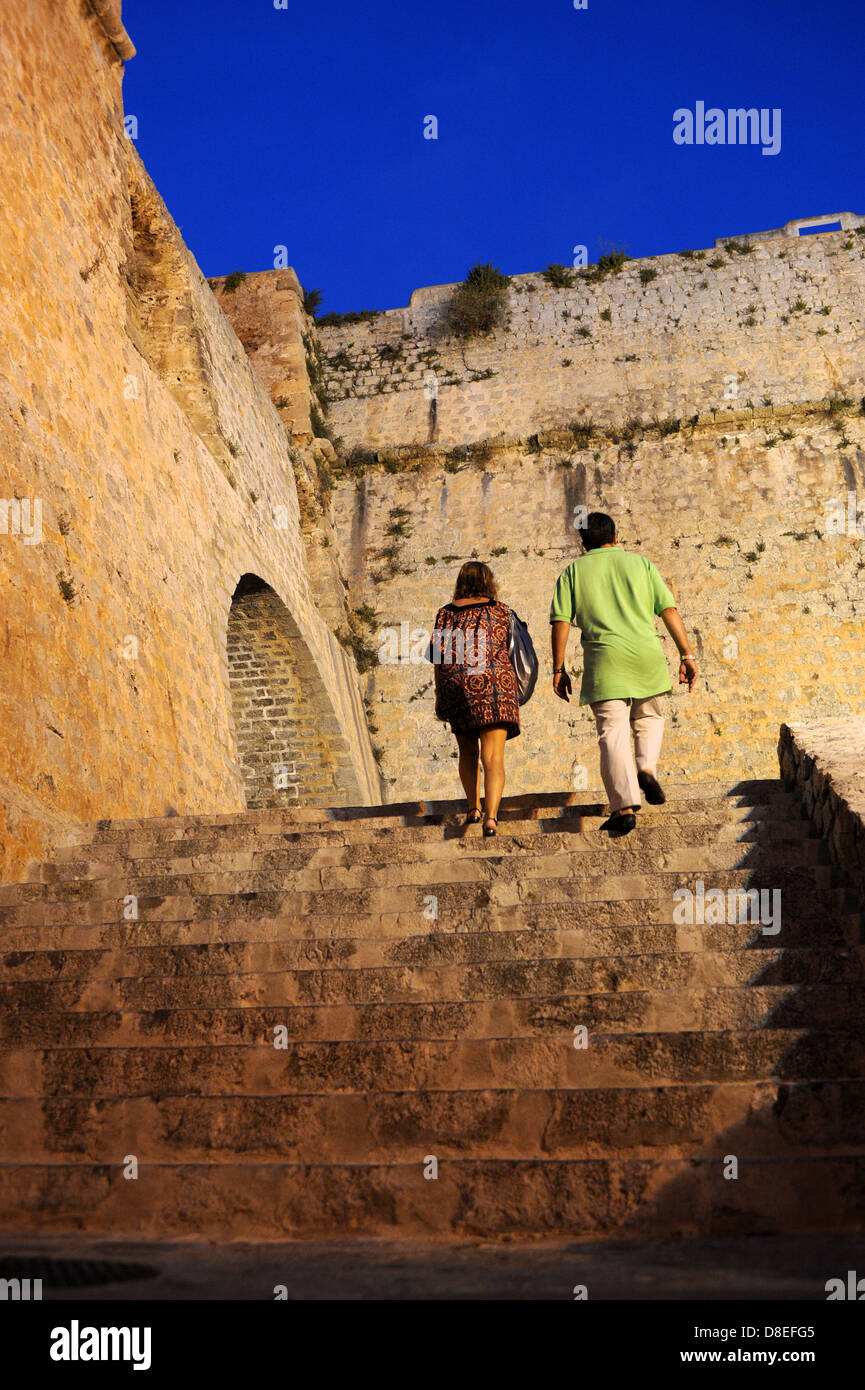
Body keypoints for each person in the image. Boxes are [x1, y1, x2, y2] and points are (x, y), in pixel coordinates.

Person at [549, 512, 698, 835]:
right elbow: (668, 610)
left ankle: (625, 806)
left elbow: (561, 621)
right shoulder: (641, 565)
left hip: (606, 663)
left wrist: (558, 668)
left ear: (583, 543)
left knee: (612, 733)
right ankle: (646, 767)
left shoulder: (572, 572)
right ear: (616, 536)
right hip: (647, 657)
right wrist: (686, 654)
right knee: (649, 719)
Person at [431, 561, 520, 837]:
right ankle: (491, 818)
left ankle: (473, 807)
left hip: (459, 686)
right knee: (493, 756)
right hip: (495, 685)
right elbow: (512, 648)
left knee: (468, 751)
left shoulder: (445, 614)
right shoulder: (501, 610)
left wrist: (440, 693)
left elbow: (437, 656)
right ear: (489, 582)